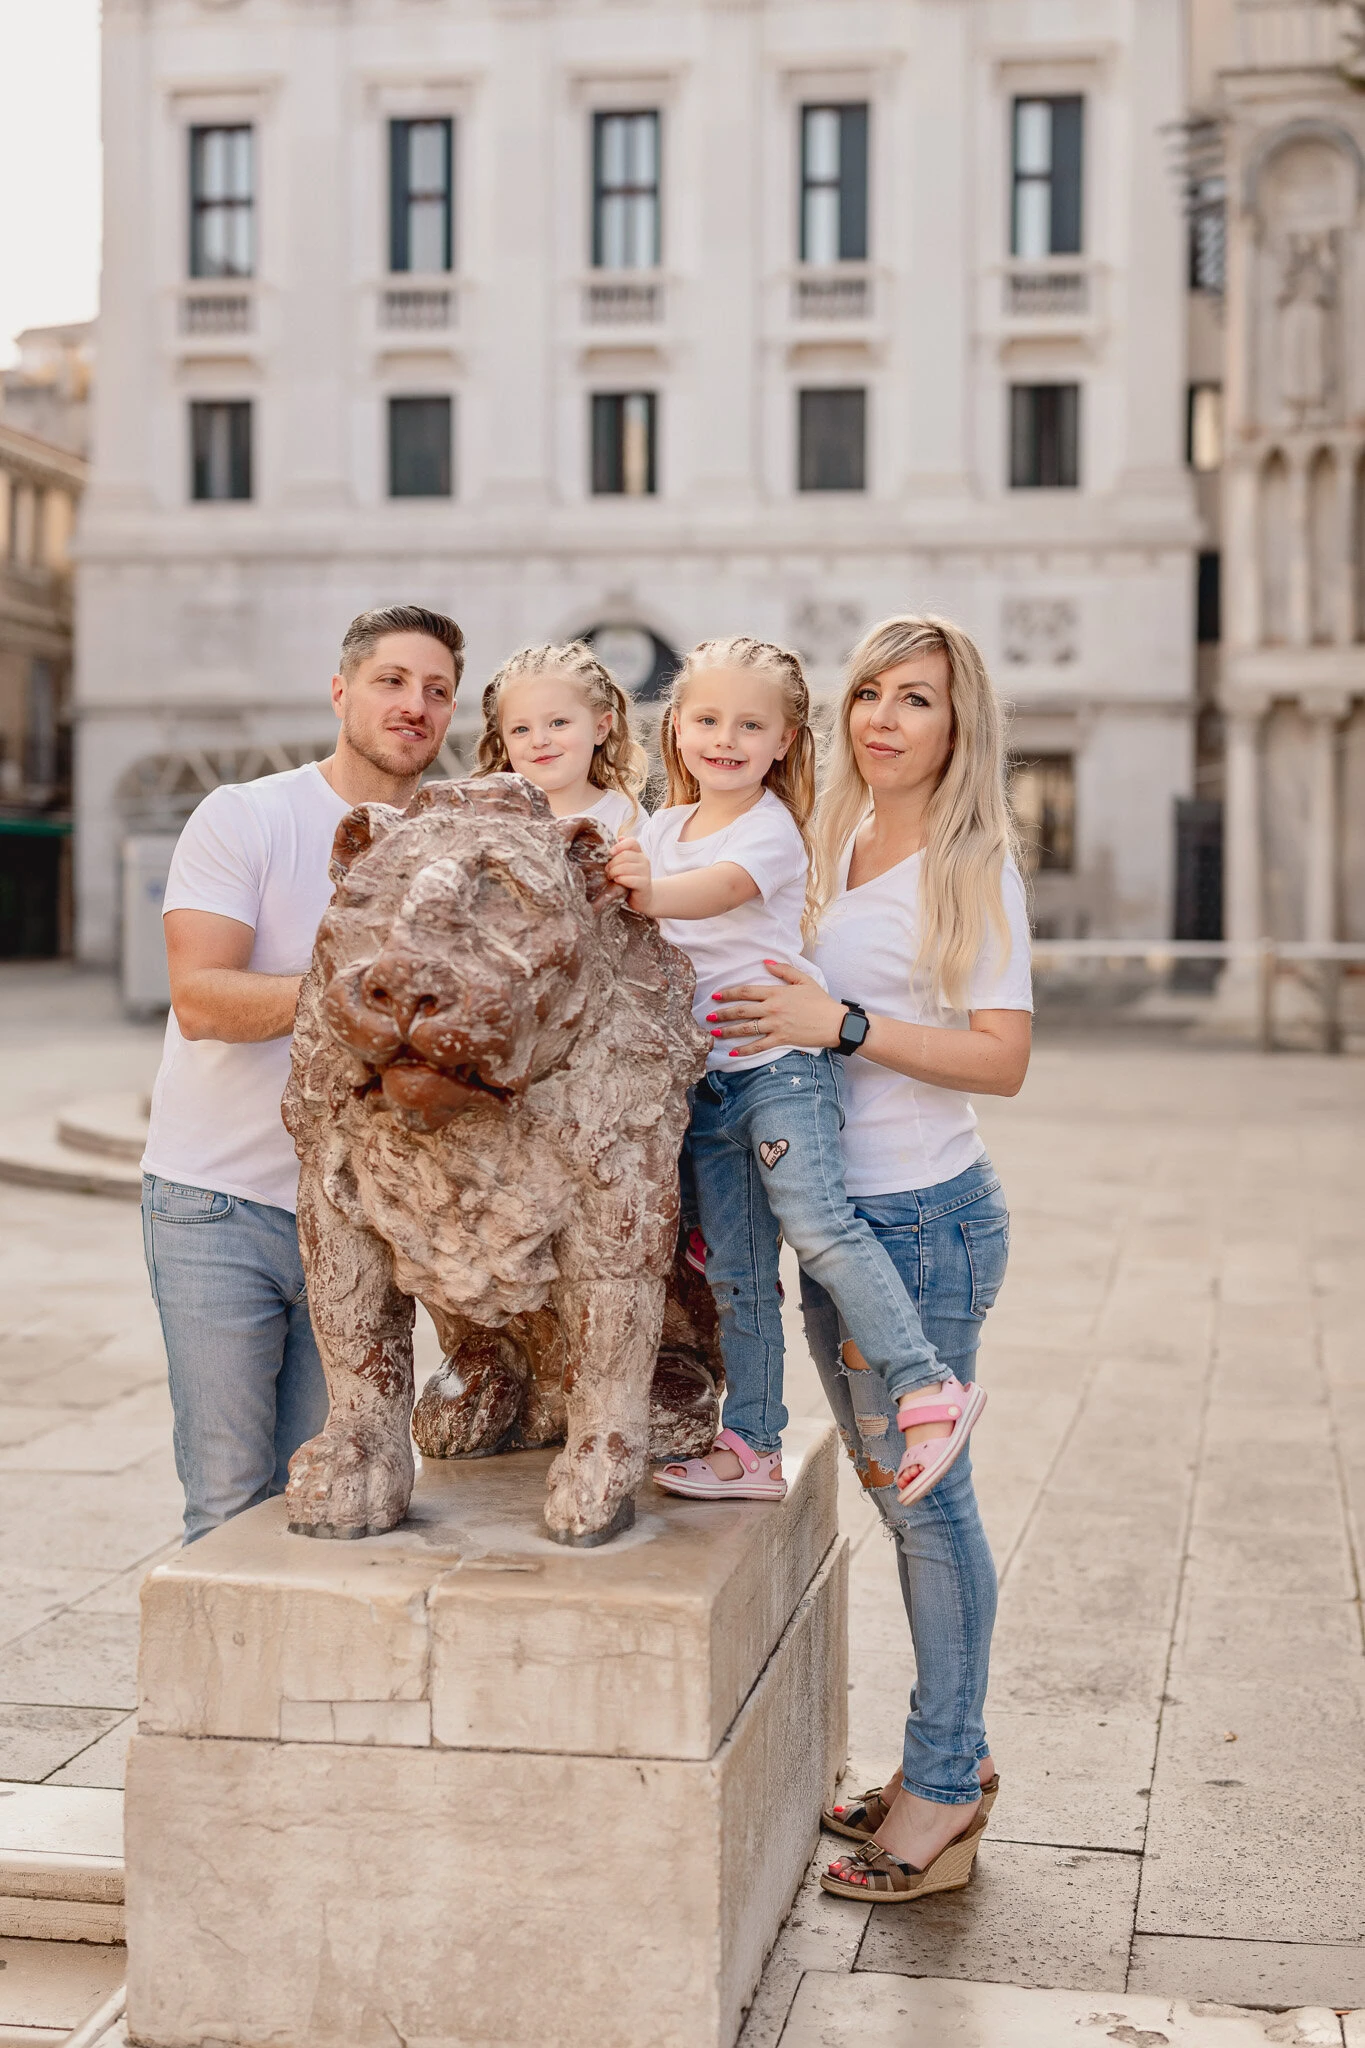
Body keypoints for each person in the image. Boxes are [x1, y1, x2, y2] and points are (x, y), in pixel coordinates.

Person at [708, 613, 1032, 1902]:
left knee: (927, 1505)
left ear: (961, 726)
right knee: (905, 1501)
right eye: (871, 695)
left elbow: (1003, 1058)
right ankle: (941, 1758)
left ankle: (946, 1786)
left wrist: (839, 1023)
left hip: (923, 1223)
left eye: (919, 700)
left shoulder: (975, 861)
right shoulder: (829, 838)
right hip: (837, 1222)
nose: (887, 718)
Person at [606, 636, 961, 1505]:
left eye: (749, 724)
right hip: (709, 1086)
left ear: (785, 742)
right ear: (675, 729)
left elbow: (716, 892)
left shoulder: (768, 829)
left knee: (820, 1224)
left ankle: (924, 1385)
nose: (724, 738)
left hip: (780, 1071)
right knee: (735, 1270)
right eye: (706, 719)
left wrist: (641, 889)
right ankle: (751, 1445)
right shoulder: (658, 827)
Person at [140, 603, 464, 1542]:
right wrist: (368, 994)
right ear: (341, 691)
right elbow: (201, 999)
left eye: (436, 691)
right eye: (392, 682)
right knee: (231, 1501)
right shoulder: (245, 815)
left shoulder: (453, 849)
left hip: (367, 1220)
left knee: (342, 1497)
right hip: (219, 1208)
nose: (415, 705)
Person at [475, 640, 646, 836]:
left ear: (600, 728)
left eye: (558, 723)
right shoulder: (492, 820)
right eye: (521, 729)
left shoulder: (624, 816)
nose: (539, 741)